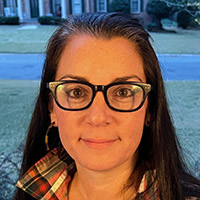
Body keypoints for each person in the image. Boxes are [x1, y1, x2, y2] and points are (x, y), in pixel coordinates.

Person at [14, 12, 200, 200]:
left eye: (123, 92)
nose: (97, 117)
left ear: (149, 109)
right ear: (52, 107)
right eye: (77, 92)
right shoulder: (31, 192)